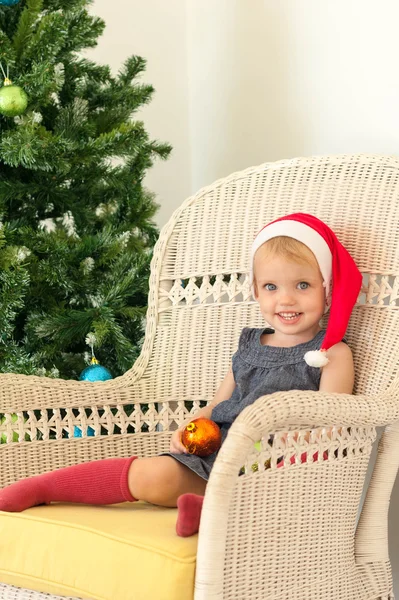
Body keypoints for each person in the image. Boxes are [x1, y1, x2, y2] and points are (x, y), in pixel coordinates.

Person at [0, 213, 362, 537]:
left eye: (302, 285)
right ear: (255, 290)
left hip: (276, 466)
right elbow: (220, 404)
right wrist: (191, 425)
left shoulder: (331, 355)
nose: (286, 300)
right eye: (271, 287)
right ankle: (44, 487)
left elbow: (329, 429)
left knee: (263, 493)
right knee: (152, 475)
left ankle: (211, 511)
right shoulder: (250, 344)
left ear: (327, 291)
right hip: (215, 452)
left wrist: (273, 450)